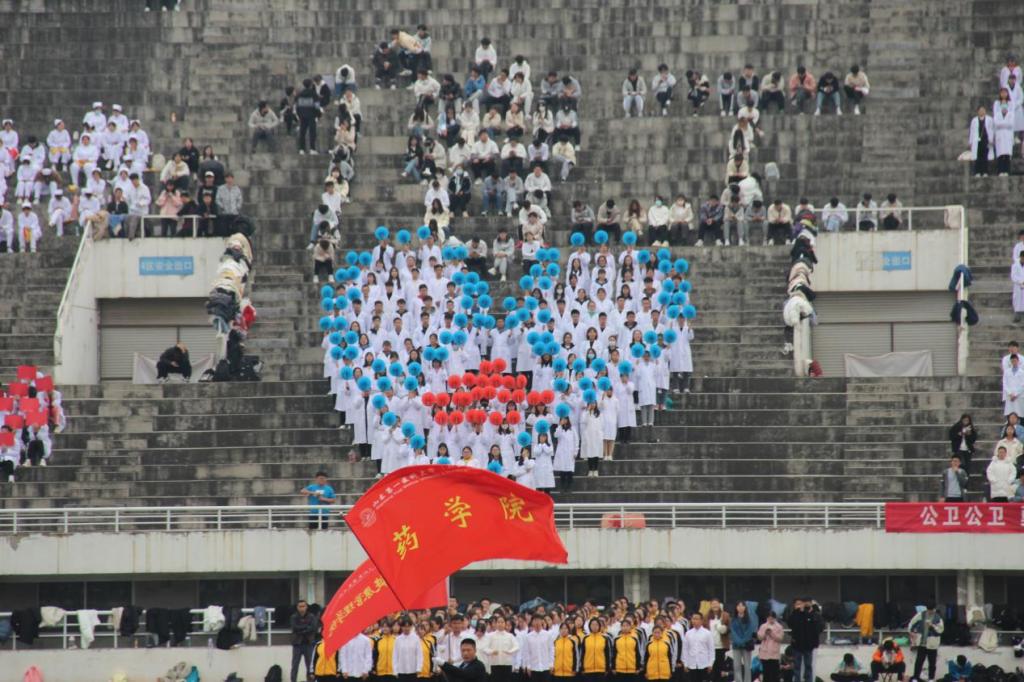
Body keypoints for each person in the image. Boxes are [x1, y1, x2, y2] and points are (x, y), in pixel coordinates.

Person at [787, 599, 822, 682]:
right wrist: (797, 611)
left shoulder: (812, 614)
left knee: (808, 666)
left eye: (801, 604)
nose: (801, 606)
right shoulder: (795, 614)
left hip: (809, 644)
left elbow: (817, 627)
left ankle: (808, 680)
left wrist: (809, 611)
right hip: (797, 644)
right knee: (797, 666)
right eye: (798, 604)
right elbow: (790, 624)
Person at [908, 605, 943, 682]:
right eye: (928, 610)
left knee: (932, 663)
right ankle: (915, 678)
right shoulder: (921, 615)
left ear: (934, 609)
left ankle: (931, 678)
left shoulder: (938, 618)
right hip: (922, 643)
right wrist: (911, 632)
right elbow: (912, 623)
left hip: (932, 644)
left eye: (931, 610)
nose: (930, 612)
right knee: (919, 662)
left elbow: (941, 630)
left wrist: (932, 626)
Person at [290, 600, 319, 682]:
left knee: (310, 666)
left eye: (303, 606)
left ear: (306, 607)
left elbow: (313, 628)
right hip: (297, 644)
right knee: (295, 665)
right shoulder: (294, 617)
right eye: (300, 606)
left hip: (309, 644)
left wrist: (302, 629)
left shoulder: (311, 616)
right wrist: (306, 627)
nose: (302, 608)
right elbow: (294, 628)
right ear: (297, 607)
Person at [730, 602, 759, 682]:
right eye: (738, 605)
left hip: (746, 645)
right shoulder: (733, 619)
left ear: (745, 607)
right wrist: (739, 641)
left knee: (747, 666)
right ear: (736, 608)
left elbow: (749, 632)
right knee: (736, 665)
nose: (740, 607)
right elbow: (733, 632)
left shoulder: (749, 619)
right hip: (736, 645)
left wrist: (742, 641)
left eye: (742, 605)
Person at [682, 612, 714, 682]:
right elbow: (685, 649)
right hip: (691, 664)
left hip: (704, 663)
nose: (694, 621)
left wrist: (710, 663)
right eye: (693, 619)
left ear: (701, 620)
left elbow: (711, 650)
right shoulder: (688, 634)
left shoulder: (707, 633)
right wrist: (685, 663)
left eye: (696, 619)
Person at [296, 78, 321, 154]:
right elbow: (317, 106)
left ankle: (301, 149)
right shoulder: (314, 94)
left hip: (302, 116)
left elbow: (297, 107)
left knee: (302, 132)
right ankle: (312, 149)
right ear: (310, 85)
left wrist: (299, 115)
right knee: (312, 132)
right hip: (311, 115)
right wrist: (319, 114)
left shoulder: (299, 95)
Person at [758, 613, 785, 682]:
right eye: (769, 617)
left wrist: (772, 634)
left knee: (774, 673)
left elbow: (780, 638)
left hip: (774, 654)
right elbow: (759, 637)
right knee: (766, 673)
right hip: (765, 653)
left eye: (772, 618)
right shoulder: (763, 626)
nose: (770, 619)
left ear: (775, 618)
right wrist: (765, 634)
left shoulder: (779, 627)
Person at [968, 107, 994, 177]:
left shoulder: (989, 119)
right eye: (980, 110)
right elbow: (972, 131)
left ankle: (985, 172)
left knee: (985, 156)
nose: (982, 112)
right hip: (977, 141)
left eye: (983, 110)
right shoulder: (974, 120)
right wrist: (970, 142)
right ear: (978, 112)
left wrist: (991, 139)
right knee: (978, 157)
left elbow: (991, 130)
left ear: (985, 111)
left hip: (986, 140)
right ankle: (978, 172)